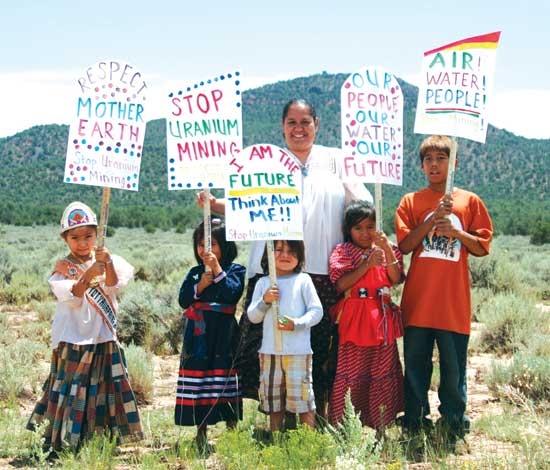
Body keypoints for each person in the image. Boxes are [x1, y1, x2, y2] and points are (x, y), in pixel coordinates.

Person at [197, 98, 373, 418]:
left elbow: (363, 204)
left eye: (305, 122)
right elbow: (245, 204)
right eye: (292, 122)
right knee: (265, 342)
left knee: (318, 343)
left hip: (322, 270)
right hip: (273, 269)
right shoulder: (267, 162)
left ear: (317, 124)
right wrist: (213, 203)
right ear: (282, 126)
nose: (298, 129)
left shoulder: (336, 161)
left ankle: (313, 413)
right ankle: (276, 412)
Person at [395, 135, 493, 444]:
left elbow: (482, 246)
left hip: (453, 303)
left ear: (454, 163)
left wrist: (457, 232)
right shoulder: (410, 201)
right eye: (429, 159)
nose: (434, 164)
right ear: (422, 165)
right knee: (415, 365)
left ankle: (453, 422)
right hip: (419, 302)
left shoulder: (470, 201)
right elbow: (405, 245)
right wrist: (432, 220)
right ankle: (415, 419)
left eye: (441, 158)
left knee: (454, 369)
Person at [27, 201, 143, 453]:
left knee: (103, 385)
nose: (82, 243)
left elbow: (113, 285)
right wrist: (88, 273)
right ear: (65, 238)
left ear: (97, 234)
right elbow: (74, 295)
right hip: (73, 336)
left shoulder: (109, 260)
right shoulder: (62, 269)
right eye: (75, 237)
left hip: (102, 335)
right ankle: (65, 439)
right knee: (73, 385)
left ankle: (100, 437)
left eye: (88, 236)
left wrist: (106, 263)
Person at [328, 201, 405, 432]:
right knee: (352, 371)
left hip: (381, 319)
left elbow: (396, 278)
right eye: (358, 228)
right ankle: (345, 426)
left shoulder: (388, 248)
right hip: (355, 318)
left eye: (370, 227)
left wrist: (386, 250)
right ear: (348, 229)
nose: (364, 233)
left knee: (382, 370)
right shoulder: (343, 252)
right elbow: (341, 284)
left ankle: (382, 425)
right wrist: (367, 264)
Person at [175, 219, 246, 451]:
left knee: (226, 378)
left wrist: (217, 271)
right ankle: (201, 432)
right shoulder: (195, 273)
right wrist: (200, 287)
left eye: (212, 244)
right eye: (200, 244)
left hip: (224, 335)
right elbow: (183, 300)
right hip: (199, 336)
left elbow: (232, 294)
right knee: (201, 379)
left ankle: (232, 432)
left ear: (225, 245)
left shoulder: (236, 271)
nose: (205, 250)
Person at [247, 240, 323, 432]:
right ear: (268, 254)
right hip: (270, 352)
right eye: (279, 250)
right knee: (274, 401)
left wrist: (296, 324)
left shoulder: (303, 280)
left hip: (298, 352)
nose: (285, 255)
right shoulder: (263, 283)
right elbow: (253, 317)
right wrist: (265, 301)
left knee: (303, 399)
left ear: (300, 256)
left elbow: (317, 311)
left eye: (291, 251)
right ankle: (276, 438)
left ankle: (308, 440)